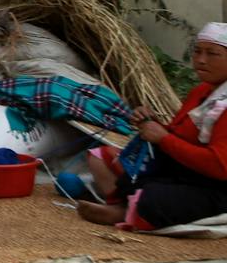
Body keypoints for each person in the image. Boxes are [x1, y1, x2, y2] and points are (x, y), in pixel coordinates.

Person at [78, 25, 227, 230]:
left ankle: (124, 210)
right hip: (187, 171)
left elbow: (221, 168)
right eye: (197, 51)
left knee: (152, 198)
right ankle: (121, 204)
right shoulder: (202, 91)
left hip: (216, 185)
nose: (201, 60)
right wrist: (151, 123)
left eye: (212, 54)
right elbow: (180, 134)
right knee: (104, 159)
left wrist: (164, 139)